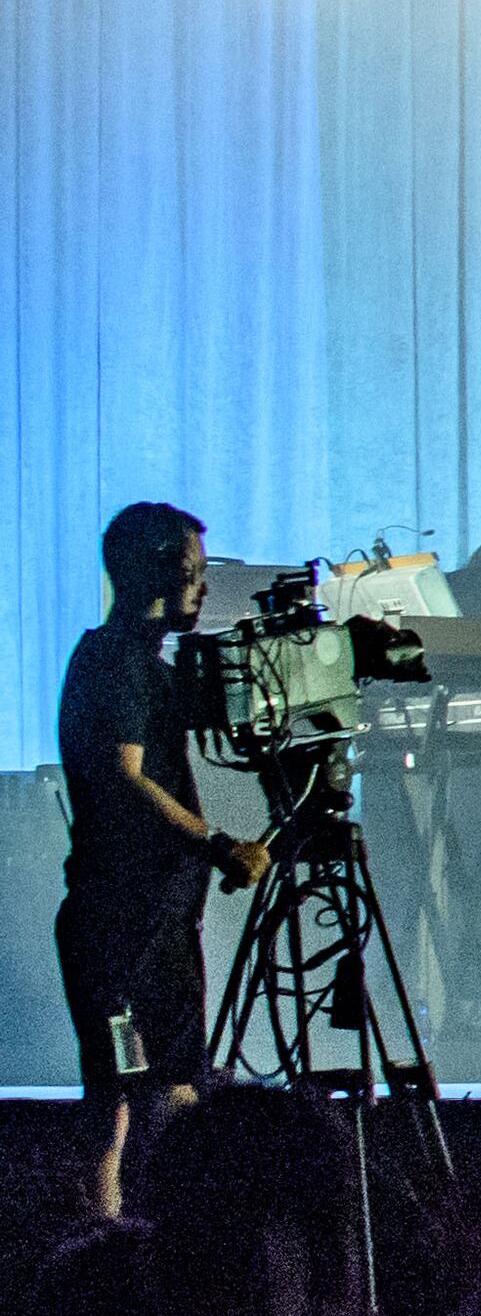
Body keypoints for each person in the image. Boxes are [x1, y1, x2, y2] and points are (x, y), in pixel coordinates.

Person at [52, 505, 268, 1210]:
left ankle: (121, 1244)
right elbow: (123, 774)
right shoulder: (116, 664)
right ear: (152, 569)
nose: (203, 587)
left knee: (143, 1090)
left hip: (147, 922)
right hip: (127, 926)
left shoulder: (135, 664)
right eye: (193, 571)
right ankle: (126, 1253)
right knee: (135, 1096)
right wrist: (216, 844)